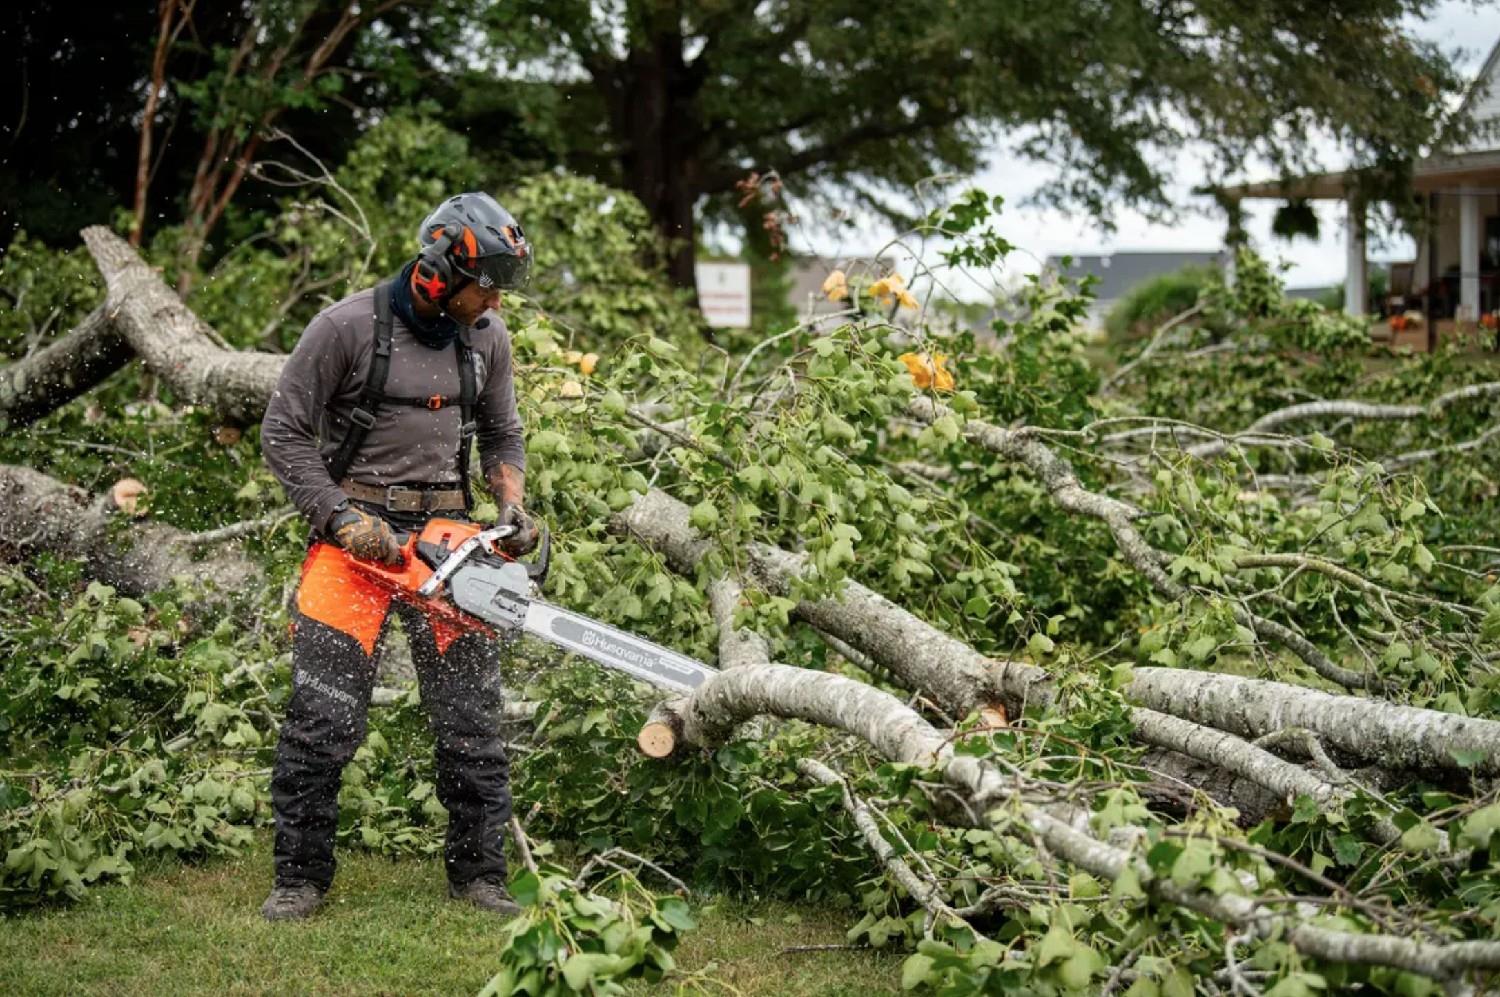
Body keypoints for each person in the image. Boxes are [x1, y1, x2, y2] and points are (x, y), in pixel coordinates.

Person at [258, 192, 538, 921]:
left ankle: (479, 873)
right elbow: (284, 432)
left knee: (471, 721)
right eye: (486, 281)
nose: (495, 297)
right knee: (324, 719)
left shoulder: (487, 338)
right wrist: (339, 517)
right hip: (353, 541)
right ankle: (300, 876)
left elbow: (503, 436)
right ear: (441, 267)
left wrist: (509, 509)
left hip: (445, 541)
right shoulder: (346, 327)